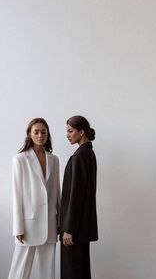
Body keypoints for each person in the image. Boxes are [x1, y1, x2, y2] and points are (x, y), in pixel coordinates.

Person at [8, 118, 60, 279]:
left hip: (50, 222)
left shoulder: (54, 159)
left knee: (48, 270)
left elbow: (57, 191)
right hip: (28, 224)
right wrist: (18, 227)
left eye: (43, 132)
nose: (40, 135)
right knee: (20, 271)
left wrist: (59, 221)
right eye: (36, 132)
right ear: (29, 134)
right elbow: (17, 195)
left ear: (48, 134)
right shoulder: (20, 159)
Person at [60, 115, 98, 279]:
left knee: (72, 272)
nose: (67, 135)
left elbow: (76, 195)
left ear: (81, 132)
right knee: (81, 271)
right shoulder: (89, 153)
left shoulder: (80, 156)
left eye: (70, 131)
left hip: (74, 230)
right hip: (83, 226)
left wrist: (69, 228)